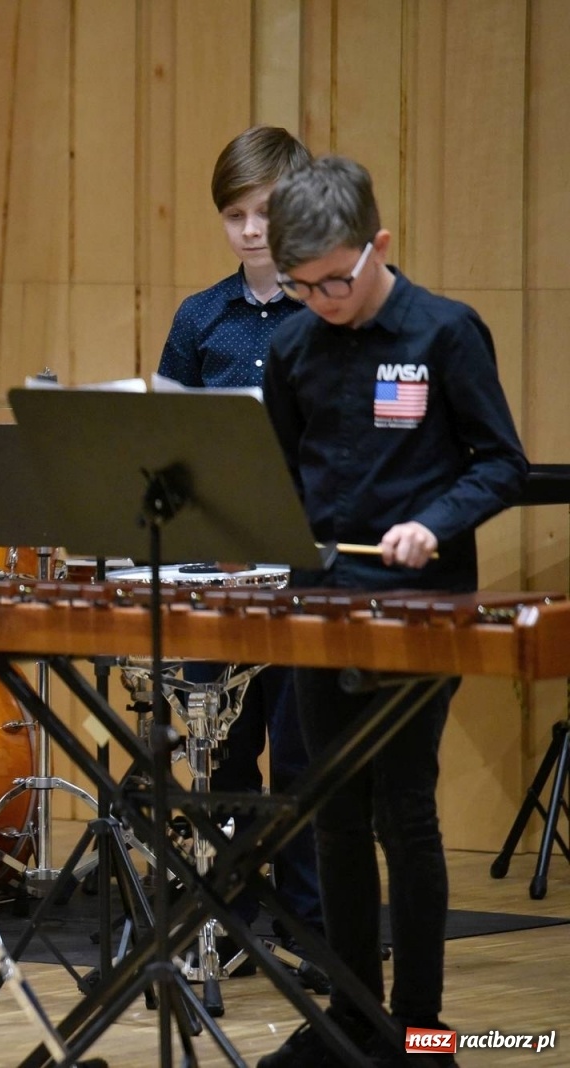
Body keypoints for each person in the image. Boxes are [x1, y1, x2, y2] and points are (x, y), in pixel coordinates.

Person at [256, 157, 526, 1067]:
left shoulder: (445, 333)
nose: (324, 299)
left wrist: (434, 523)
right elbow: (285, 475)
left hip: (421, 604)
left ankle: (418, 1027)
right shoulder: (292, 347)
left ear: (381, 245)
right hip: (325, 601)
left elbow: (501, 462)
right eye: (304, 285)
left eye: (338, 279)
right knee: (329, 807)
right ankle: (350, 1013)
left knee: (402, 810)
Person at [155, 125, 327, 986]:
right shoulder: (200, 318)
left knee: (302, 750)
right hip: (215, 572)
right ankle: (229, 917)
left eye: (266, 212)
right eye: (236, 214)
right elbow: (166, 444)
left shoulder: (326, 315)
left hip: (303, 571)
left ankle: (311, 924)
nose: (252, 231)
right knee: (223, 753)